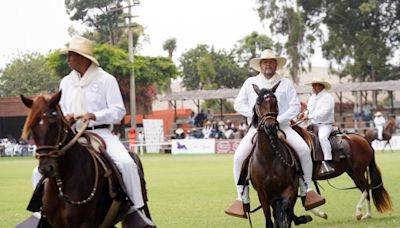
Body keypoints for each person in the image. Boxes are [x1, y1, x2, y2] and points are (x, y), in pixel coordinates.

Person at [31, 36, 147, 217]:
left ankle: (136, 211)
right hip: (73, 133)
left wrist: (95, 115)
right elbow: (63, 109)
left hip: (100, 132)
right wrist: (67, 117)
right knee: (37, 172)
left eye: (71, 55)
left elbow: (118, 111)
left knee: (126, 164)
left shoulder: (106, 79)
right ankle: (42, 213)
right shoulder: (66, 82)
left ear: (83, 58)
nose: (68, 59)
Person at [224, 49, 325, 218]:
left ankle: (307, 190)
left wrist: (279, 119)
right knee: (238, 157)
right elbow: (238, 104)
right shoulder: (250, 82)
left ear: (276, 64)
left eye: (271, 62)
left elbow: (294, 106)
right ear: (260, 65)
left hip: (283, 127)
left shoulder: (285, 83)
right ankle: (242, 198)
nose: (268, 65)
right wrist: (257, 116)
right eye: (265, 62)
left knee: (303, 150)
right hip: (257, 128)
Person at [301, 77, 335, 176]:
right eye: (313, 85)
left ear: (322, 86)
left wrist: (309, 116)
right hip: (313, 124)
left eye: (316, 85)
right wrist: (304, 114)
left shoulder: (328, 97)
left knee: (322, 137)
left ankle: (328, 161)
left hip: (325, 124)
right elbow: (308, 110)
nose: (313, 87)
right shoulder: (312, 98)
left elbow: (325, 112)